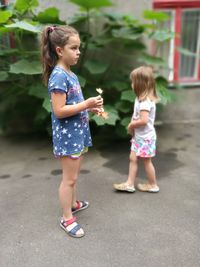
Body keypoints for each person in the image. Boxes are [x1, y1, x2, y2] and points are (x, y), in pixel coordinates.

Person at [41, 25, 103, 238]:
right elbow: (59, 111)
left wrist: (90, 107)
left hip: (77, 133)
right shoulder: (59, 76)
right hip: (68, 137)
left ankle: (74, 203)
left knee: (73, 177)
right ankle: (67, 218)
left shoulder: (70, 73)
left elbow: (73, 103)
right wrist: (86, 104)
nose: (78, 52)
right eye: (74, 48)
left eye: (79, 48)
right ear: (60, 50)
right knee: (68, 179)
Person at [113, 66, 159, 193]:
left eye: (133, 82)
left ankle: (153, 184)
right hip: (140, 137)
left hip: (145, 138)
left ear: (140, 84)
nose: (132, 84)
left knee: (146, 161)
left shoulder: (145, 102)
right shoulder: (139, 99)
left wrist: (131, 125)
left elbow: (144, 121)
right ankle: (129, 183)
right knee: (133, 158)